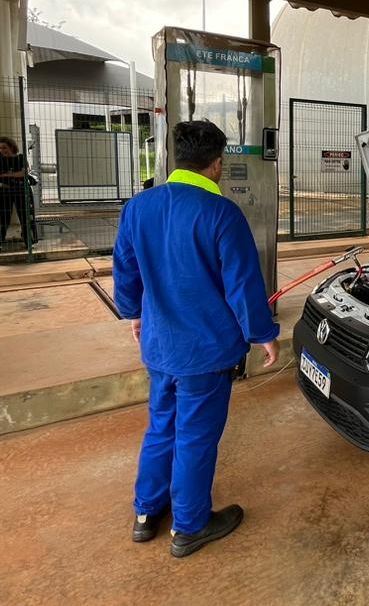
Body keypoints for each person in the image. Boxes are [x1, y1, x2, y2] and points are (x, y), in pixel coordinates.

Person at [113, 120, 280, 558]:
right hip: (205, 351)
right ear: (217, 162)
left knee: (161, 425)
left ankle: (146, 513)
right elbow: (242, 284)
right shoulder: (221, 213)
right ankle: (189, 525)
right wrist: (262, 333)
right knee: (195, 435)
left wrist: (133, 314)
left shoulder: (139, 206)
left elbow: (126, 271)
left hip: (159, 344)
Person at [0, 137, 34, 251]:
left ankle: (29, 242)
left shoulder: (20, 158)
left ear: (11, 147)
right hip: (3, 191)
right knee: (0, 217)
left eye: (4, 147)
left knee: (26, 216)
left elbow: (23, 173)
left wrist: (3, 175)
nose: (2, 150)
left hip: (21, 190)